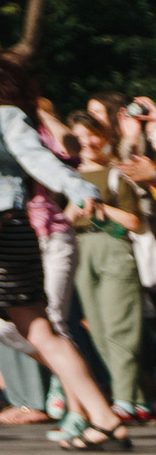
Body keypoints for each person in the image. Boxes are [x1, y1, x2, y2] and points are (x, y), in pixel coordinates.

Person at [0, 50, 135, 451]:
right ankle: (104, 418)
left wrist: (79, 187)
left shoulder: (7, 118)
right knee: (40, 331)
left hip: (4, 234)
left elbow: (38, 160)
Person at [69, 115, 148, 423]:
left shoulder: (117, 174)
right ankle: (137, 399)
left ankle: (124, 400)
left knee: (120, 325)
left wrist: (98, 207)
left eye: (93, 135)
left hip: (112, 245)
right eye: (80, 137)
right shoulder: (68, 175)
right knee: (99, 331)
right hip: (80, 248)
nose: (88, 142)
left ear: (103, 137)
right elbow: (62, 219)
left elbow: (134, 222)